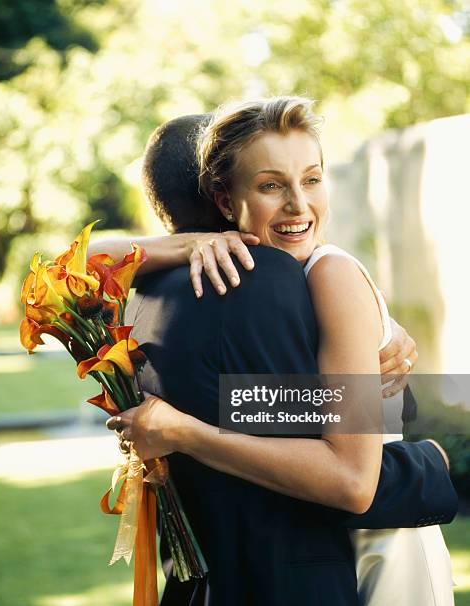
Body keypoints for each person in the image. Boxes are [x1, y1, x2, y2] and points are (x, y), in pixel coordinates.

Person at [92, 102, 457, 605]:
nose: (299, 205)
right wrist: (191, 243)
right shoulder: (282, 281)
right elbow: (79, 265)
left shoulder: (330, 273)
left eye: (312, 180)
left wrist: (188, 433)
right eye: (271, 185)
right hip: (337, 540)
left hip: (385, 549)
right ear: (223, 201)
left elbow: (352, 478)